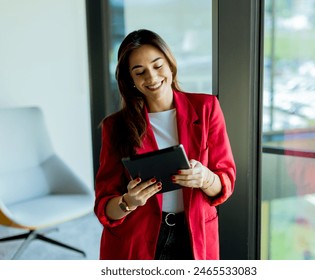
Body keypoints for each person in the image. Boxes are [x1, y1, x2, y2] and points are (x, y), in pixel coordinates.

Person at [94, 29, 236, 260]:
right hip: (138, 239)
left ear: (170, 65)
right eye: (139, 72)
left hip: (194, 235)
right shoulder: (115, 126)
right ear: (131, 81)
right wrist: (128, 201)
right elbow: (104, 205)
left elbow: (226, 181)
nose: (151, 77)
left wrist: (205, 178)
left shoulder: (206, 108)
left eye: (157, 66)